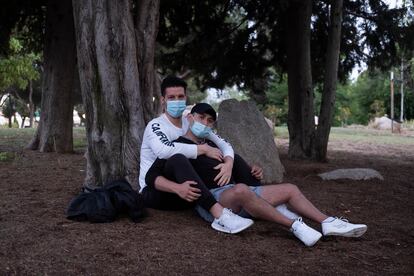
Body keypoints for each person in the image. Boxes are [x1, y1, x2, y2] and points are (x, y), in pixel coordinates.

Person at [146, 103, 368, 247]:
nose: (204, 123)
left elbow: (234, 160)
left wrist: (250, 170)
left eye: (209, 121)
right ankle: (294, 225)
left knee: (290, 188)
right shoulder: (177, 145)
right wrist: (178, 188)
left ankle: (328, 222)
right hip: (214, 199)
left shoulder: (215, 143)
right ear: (191, 117)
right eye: (201, 118)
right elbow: (153, 175)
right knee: (242, 190)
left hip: (241, 192)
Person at [139, 76, 253, 234]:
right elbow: (164, 150)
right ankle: (220, 216)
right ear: (163, 100)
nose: (176, 101)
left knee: (233, 158)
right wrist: (203, 150)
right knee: (178, 158)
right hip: (159, 189)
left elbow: (224, 144)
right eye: (171, 97)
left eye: (180, 97)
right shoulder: (156, 125)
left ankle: (264, 200)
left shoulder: (190, 119)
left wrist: (228, 164)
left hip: (190, 189)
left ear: (186, 97)